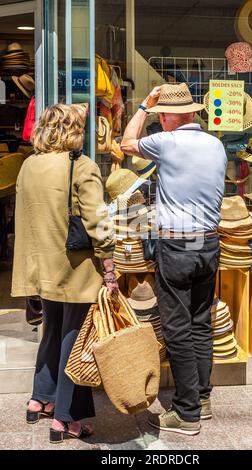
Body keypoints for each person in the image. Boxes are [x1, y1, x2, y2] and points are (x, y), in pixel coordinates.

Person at [120, 83, 227, 436]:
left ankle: (186, 413)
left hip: (178, 245)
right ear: (193, 113)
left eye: (160, 114)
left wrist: (143, 107)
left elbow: (125, 143)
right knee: (200, 323)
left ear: (167, 115)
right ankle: (202, 398)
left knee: (178, 328)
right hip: (209, 245)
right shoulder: (215, 144)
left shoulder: (166, 142)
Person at [11, 103, 117, 443]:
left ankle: (39, 398)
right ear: (72, 130)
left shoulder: (28, 165)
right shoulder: (81, 165)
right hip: (75, 268)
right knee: (76, 338)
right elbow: (98, 221)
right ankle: (66, 418)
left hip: (40, 265)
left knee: (51, 331)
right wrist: (111, 265)